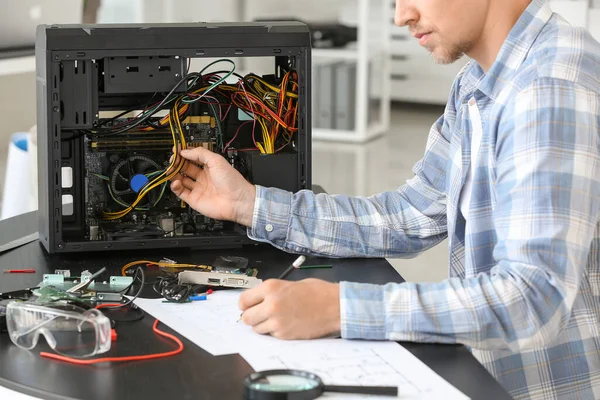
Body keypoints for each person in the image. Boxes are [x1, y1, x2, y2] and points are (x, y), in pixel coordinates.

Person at [170, 0, 600, 398]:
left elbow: (533, 298)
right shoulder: (479, 82)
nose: (401, 15)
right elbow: (410, 214)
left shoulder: (548, 86)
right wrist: (248, 204)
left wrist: (339, 309)